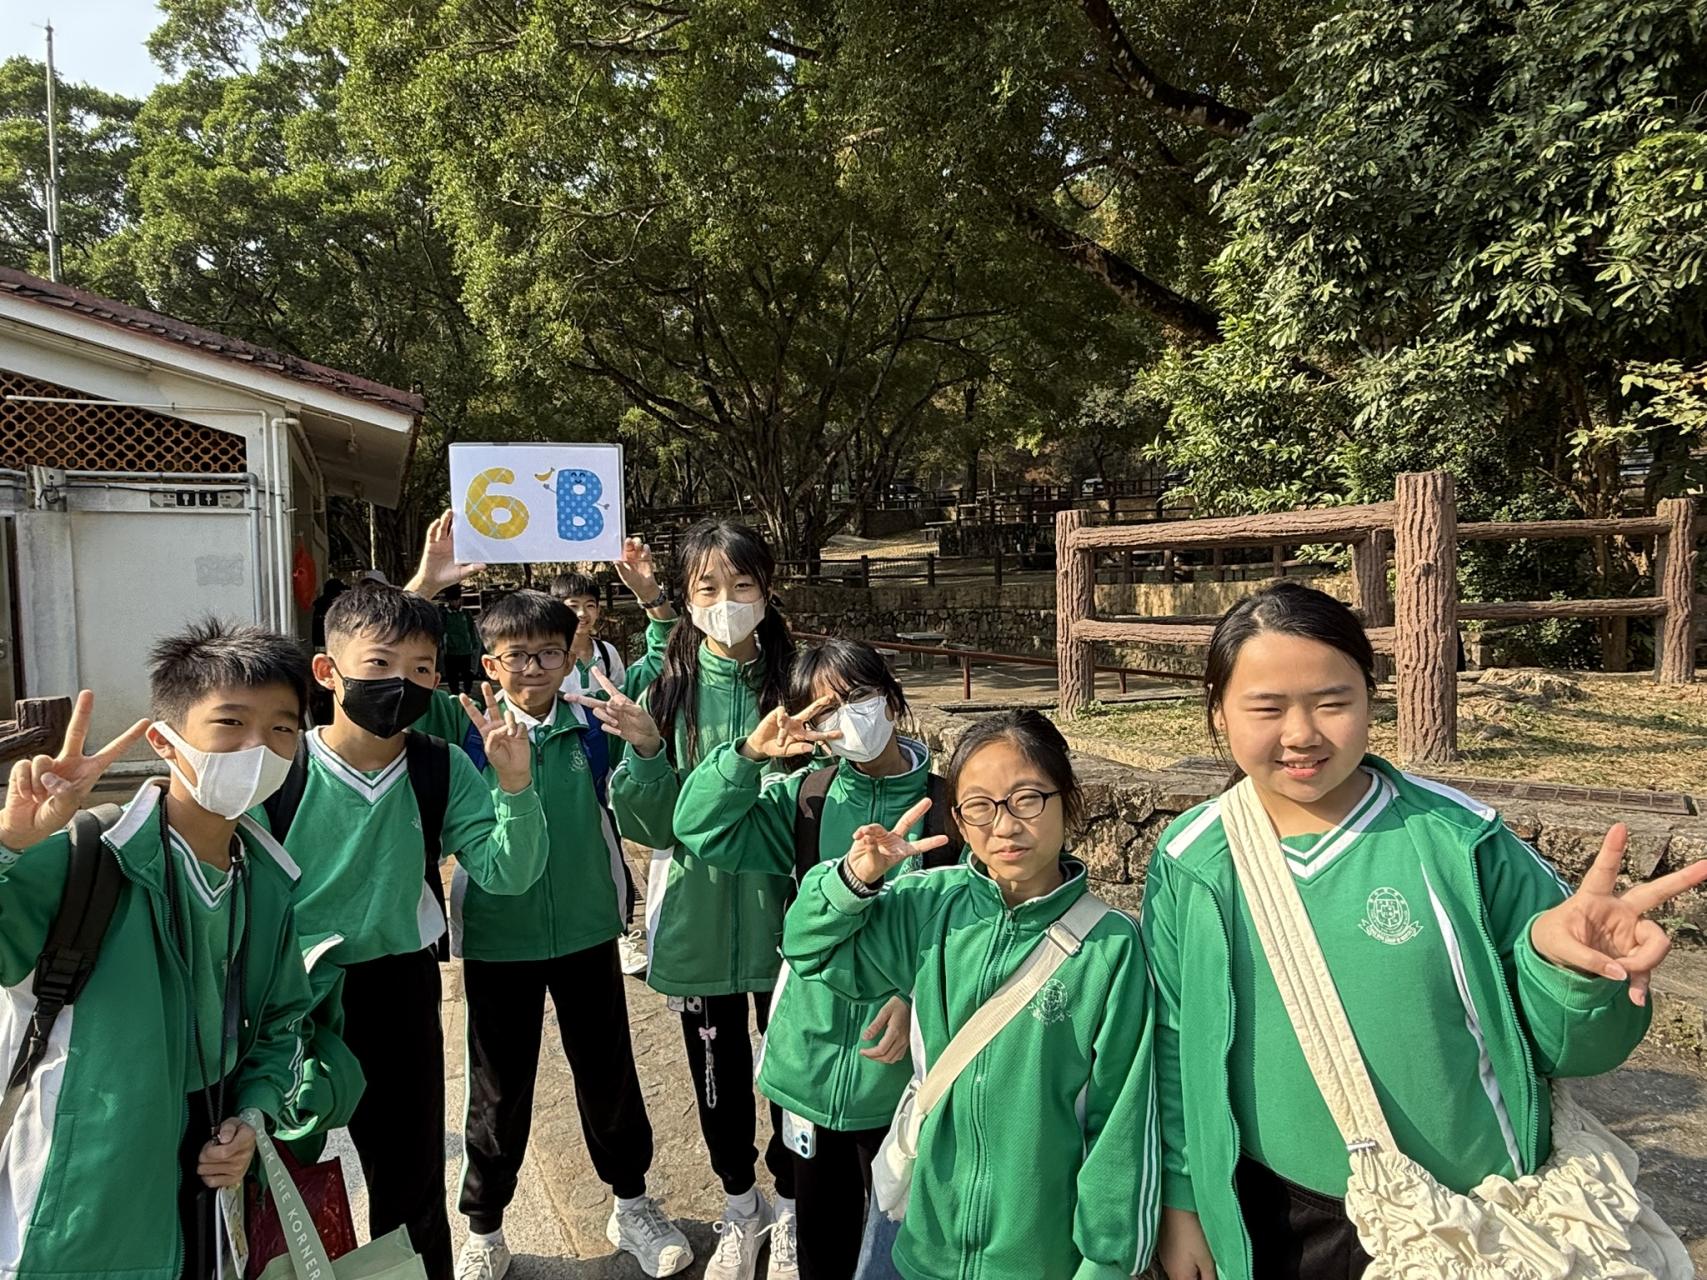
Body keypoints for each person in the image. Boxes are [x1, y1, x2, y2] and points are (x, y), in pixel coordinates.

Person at [1144, 581, 1707, 1280]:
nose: (1300, 734)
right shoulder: (1192, 860)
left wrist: (1572, 973)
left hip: (1464, 1220)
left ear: (1370, 699)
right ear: (1217, 713)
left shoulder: (1458, 839)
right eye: (1267, 708)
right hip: (1274, 1212)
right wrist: (1183, 1201)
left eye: (1332, 702)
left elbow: (1574, 1050)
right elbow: (1172, 1039)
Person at [781, 709, 1159, 1280]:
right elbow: (808, 949)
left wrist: (1104, 1264)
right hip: (925, 1240)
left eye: (1027, 799)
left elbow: (1120, 1128)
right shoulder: (931, 905)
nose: (1004, 826)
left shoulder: (1111, 947)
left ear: (1068, 800)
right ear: (958, 818)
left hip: (1041, 1258)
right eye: (979, 806)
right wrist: (853, 880)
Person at [0, 624, 318, 1279]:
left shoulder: (266, 880)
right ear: (164, 741)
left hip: (208, 1173)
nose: (258, 747)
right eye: (231, 722)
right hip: (83, 1195)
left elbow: (283, 1020)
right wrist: (10, 847)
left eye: (282, 729)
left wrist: (253, 1115)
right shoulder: (83, 859)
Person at [403, 582, 693, 1280]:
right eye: (516, 655)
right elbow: (389, 664)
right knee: (498, 1091)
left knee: (608, 1075)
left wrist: (653, 609)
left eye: (548, 654)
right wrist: (425, 584)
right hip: (500, 938)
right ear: (489, 663)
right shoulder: (462, 727)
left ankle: (632, 1205)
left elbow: (660, 681)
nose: (533, 668)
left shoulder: (591, 724)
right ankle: (486, 1228)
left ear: (570, 657)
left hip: (589, 931)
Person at [274, 578, 549, 1280]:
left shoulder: (439, 765)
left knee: (410, 1187)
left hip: (397, 990)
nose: (402, 683)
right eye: (379, 663)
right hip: (286, 998)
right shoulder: (280, 769)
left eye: (422, 669)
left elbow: (506, 872)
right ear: (327, 671)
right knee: (271, 1176)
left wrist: (515, 786)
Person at [672, 639, 957, 1280]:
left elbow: (979, 925)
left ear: (891, 698)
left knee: (900, 1245)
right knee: (823, 1242)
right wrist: (748, 754)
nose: (846, 717)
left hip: (903, 1079)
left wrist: (917, 995)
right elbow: (698, 827)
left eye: (857, 697)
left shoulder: (951, 806)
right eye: (824, 710)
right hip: (809, 1065)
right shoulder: (806, 800)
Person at [600, 519, 801, 1280]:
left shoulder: (800, 684)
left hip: (789, 915)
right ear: (684, 600)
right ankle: (741, 1205)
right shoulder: (665, 690)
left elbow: (808, 806)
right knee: (715, 1073)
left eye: (742, 585)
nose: (726, 602)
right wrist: (650, 752)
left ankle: (791, 1205)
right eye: (707, 588)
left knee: (793, 1066)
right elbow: (654, 826)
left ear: (767, 589)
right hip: (694, 915)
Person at [551, 569, 647, 975]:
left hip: (604, 758)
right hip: (564, 758)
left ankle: (623, 928)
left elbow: (621, 699)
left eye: (589, 605)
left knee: (609, 840)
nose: (583, 614)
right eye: (573, 606)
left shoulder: (606, 653)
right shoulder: (549, 655)